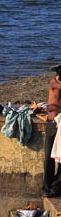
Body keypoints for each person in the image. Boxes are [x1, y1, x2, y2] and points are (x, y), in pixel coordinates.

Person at [43, 65, 61, 197]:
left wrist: (54, 107)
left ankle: (55, 187)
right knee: (48, 157)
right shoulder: (54, 82)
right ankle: (46, 187)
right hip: (51, 123)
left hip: (59, 122)